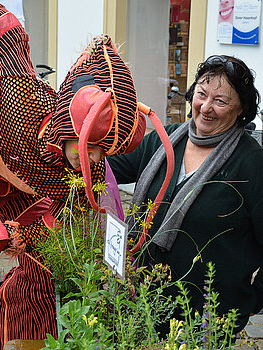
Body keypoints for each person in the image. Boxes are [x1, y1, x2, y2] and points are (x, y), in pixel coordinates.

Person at [0, 3, 146, 349]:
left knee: (38, 273)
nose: (94, 159)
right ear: (68, 123)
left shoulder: (88, 175)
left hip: (24, 187)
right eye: (89, 146)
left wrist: (9, 234)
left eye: (102, 151)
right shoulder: (21, 95)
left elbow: (61, 227)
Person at [108, 55, 263, 333]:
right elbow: (106, 167)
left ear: (241, 109)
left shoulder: (251, 163)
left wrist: (252, 300)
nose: (206, 107)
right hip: (142, 305)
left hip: (206, 320)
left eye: (221, 101)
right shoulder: (162, 141)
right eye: (201, 94)